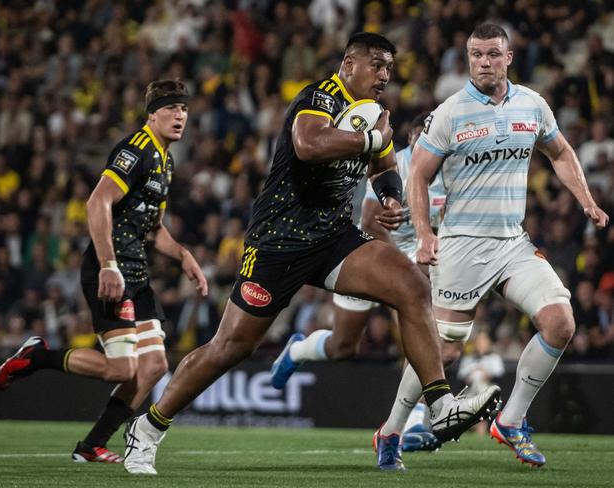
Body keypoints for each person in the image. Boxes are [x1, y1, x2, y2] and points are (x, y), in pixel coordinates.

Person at [121, 32, 500, 476]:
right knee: (231, 347)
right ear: (348, 64)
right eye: (376, 64)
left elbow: (383, 168)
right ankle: (148, 427)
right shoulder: (320, 97)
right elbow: (310, 145)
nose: (383, 75)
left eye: (389, 68)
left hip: (333, 237)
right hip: (278, 242)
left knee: (411, 284)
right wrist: (371, 143)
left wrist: (392, 197)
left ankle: (440, 406)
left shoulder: (375, 114)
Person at [410, 24, 609, 467]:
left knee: (560, 322)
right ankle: (397, 427)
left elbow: (559, 153)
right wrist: (425, 232)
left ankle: (511, 421)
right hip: (461, 244)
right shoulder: (450, 112)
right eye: (476, 54)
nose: (484, 62)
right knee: (442, 350)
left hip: (512, 244)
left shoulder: (532, 105)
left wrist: (587, 201)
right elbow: (417, 174)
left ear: (509, 57)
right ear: (467, 58)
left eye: (492, 54)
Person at [0, 79, 208, 463]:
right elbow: (98, 203)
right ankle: (39, 355)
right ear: (152, 114)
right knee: (122, 369)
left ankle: (91, 445)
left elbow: (153, 228)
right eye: (172, 108)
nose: (180, 116)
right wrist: (109, 264)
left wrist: (184, 256)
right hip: (110, 270)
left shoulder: (166, 159)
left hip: (136, 272)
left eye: (184, 109)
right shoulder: (136, 149)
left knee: (155, 365)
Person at [269, 112, 451, 466]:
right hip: (371, 258)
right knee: (343, 346)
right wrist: (404, 266)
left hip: (418, 270)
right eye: (419, 141)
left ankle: (409, 423)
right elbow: (369, 222)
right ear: (411, 141)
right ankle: (299, 350)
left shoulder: (450, 172)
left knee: (420, 334)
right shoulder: (392, 165)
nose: (425, 147)